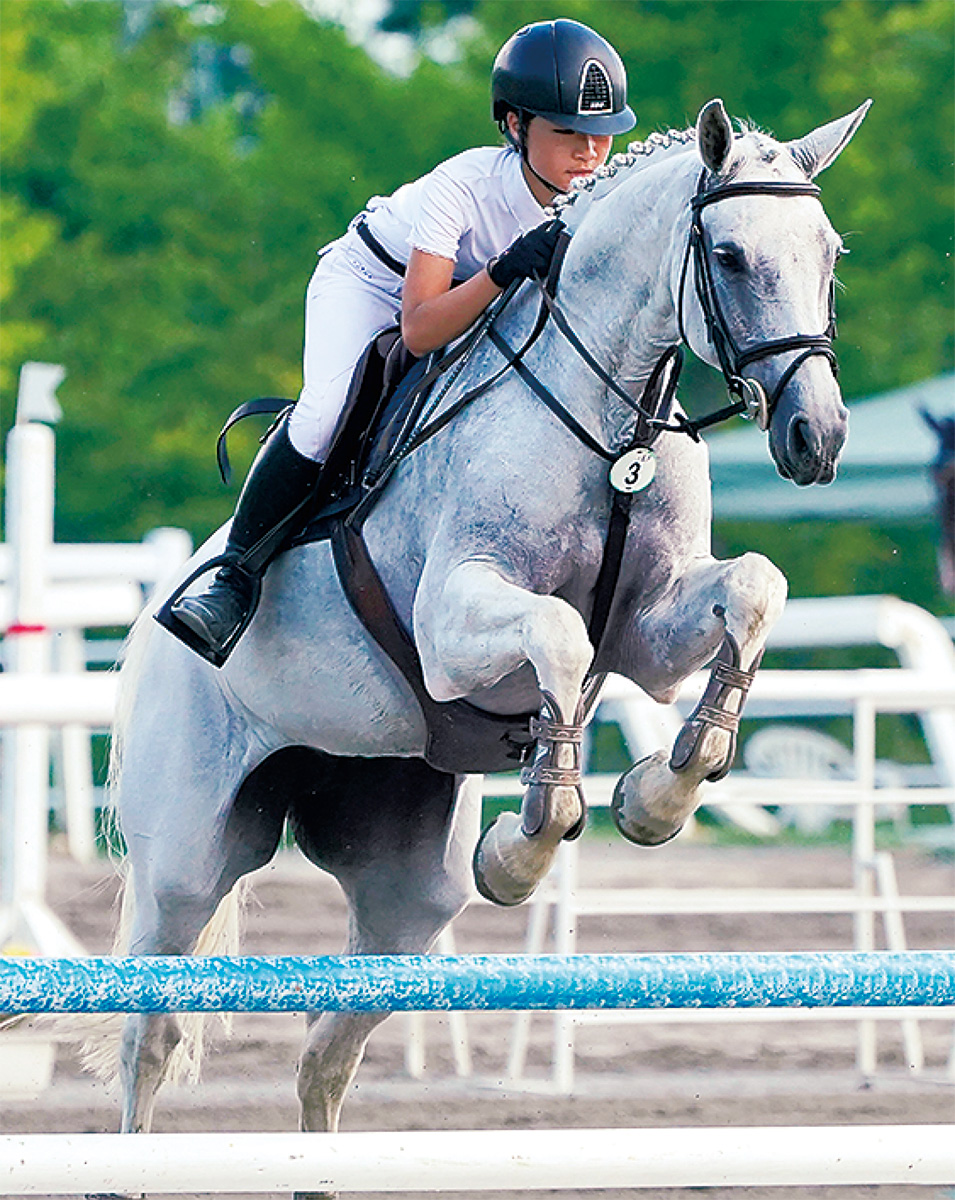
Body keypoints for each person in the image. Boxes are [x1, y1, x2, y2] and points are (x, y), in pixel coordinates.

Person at [168, 18, 636, 665]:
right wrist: (504, 269)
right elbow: (417, 331)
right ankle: (233, 579)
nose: (588, 152)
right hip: (371, 286)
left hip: (472, 303)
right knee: (326, 413)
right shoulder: (462, 185)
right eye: (566, 133)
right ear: (513, 126)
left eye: (600, 135)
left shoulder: (597, 202)